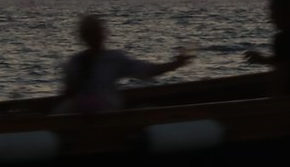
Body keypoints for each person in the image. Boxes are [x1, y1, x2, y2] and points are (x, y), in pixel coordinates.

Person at [57, 14, 192, 115]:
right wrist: (176, 64)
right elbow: (147, 70)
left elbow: (67, 93)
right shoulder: (111, 59)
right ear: (103, 35)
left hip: (86, 115)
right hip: (108, 115)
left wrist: (175, 64)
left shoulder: (75, 62)